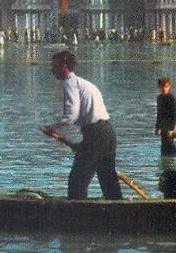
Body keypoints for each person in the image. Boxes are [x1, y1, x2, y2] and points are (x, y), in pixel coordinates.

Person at [42, 50, 122, 200]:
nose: (51, 70)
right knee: (108, 179)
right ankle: (119, 210)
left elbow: (71, 115)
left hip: (96, 134)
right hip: (108, 131)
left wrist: (52, 127)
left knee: (77, 180)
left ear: (64, 66)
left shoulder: (69, 83)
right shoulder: (84, 83)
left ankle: (78, 215)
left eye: (54, 66)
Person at [154, 76, 176, 156]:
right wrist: (157, 127)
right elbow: (159, 114)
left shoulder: (172, 98)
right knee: (163, 145)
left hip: (172, 123)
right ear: (159, 87)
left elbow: (175, 114)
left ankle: (174, 156)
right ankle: (165, 159)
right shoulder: (159, 98)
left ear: (169, 87)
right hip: (163, 124)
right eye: (162, 86)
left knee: (169, 143)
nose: (164, 88)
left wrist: (172, 129)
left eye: (166, 86)